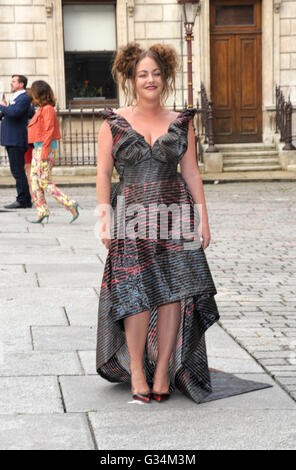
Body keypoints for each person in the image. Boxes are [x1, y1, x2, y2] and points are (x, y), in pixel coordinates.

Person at [95, 43, 220, 404]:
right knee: (134, 296)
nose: (150, 79)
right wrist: (104, 220)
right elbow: (103, 173)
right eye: (142, 74)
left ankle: (163, 369)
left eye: (156, 73)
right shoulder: (113, 122)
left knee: (172, 297)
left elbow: (192, 172)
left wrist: (203, 220)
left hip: (175, 215)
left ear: (165, 77)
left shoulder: (181, 121)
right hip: (132, 216)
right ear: (131, 79)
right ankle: (137, 367)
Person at [26, 80, 81, 224]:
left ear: (38, 93)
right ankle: (42, 210)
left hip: (45, 149)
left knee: (44, 182)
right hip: (38, 149)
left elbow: (49, 131)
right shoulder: (42, 109)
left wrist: (43, 153)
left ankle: (70, 204)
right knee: (34, 181)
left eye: (33, 92)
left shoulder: (48, 109)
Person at [0, 75, 35, 209]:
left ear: (21, 84)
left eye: (14, 81)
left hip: (16, 140)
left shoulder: (24, 98)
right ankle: (25, 199)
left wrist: (2, 106)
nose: (11, 83)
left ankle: (22, 200)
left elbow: (14, 113)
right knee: (18, 170)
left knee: (18, 171)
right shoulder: (16, 98)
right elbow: (11, 113)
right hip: (11, 139)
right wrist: (4, 109)